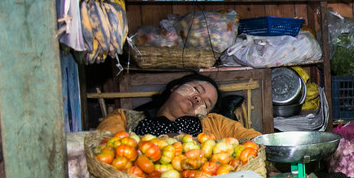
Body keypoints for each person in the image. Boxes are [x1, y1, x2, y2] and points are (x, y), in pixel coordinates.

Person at [96, 73, 260, 140]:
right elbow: (105, 145)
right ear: (174, 87)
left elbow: (255, 140)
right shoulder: (124, 118)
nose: (197, 98)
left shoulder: (216, 123)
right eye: (196, 89)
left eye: (205, 103)